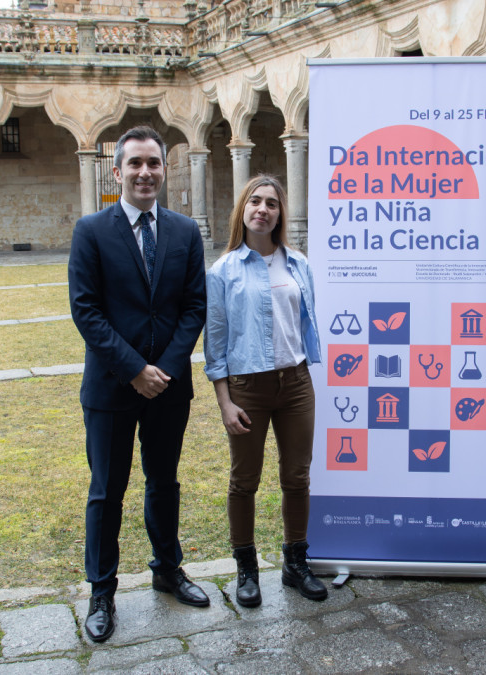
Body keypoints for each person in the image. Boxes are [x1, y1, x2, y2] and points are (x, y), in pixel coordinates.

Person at [68, 125, 208, 642]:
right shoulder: (91, 231)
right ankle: (101, 590)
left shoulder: (184, 231)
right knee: (107, 491)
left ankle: (168, 570)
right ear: (117, 170)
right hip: (110, 387)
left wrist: (162, 370)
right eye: (135, 164)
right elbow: (86, 310)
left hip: (168, 386)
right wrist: (133, 369)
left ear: (164, 170)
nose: (145, 172)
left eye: (154, 163)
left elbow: (194, 306)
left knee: (164, 482)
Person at [204, 174, 327, 607]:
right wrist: (224, 401)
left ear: (280, 213)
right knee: (245, 481)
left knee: (297, 477)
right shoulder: (223, 270)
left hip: (295, 384)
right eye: (255, 201)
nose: (263, 209)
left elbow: (303, 325)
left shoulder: (298, 264)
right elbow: (215, 344)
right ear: (243, 209)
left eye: (271, 203)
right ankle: (247, 570)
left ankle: (296, 563)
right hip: (247, 388)